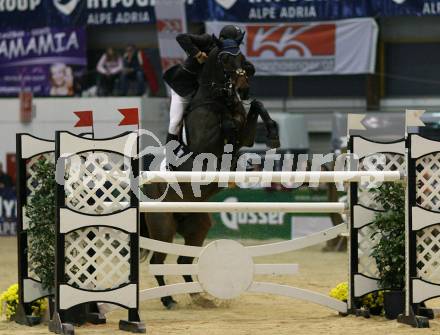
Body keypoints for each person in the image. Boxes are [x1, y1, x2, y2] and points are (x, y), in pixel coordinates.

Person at [163, 25, 255, 145]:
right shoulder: (207, 41)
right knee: (175, 122)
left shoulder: (232, 53)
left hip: (208, 90)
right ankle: (169, 159)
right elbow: (182, 37)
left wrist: (241, 70)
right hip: (184, 87)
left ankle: (234, 150)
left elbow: (250, 68)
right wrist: (198, 54)